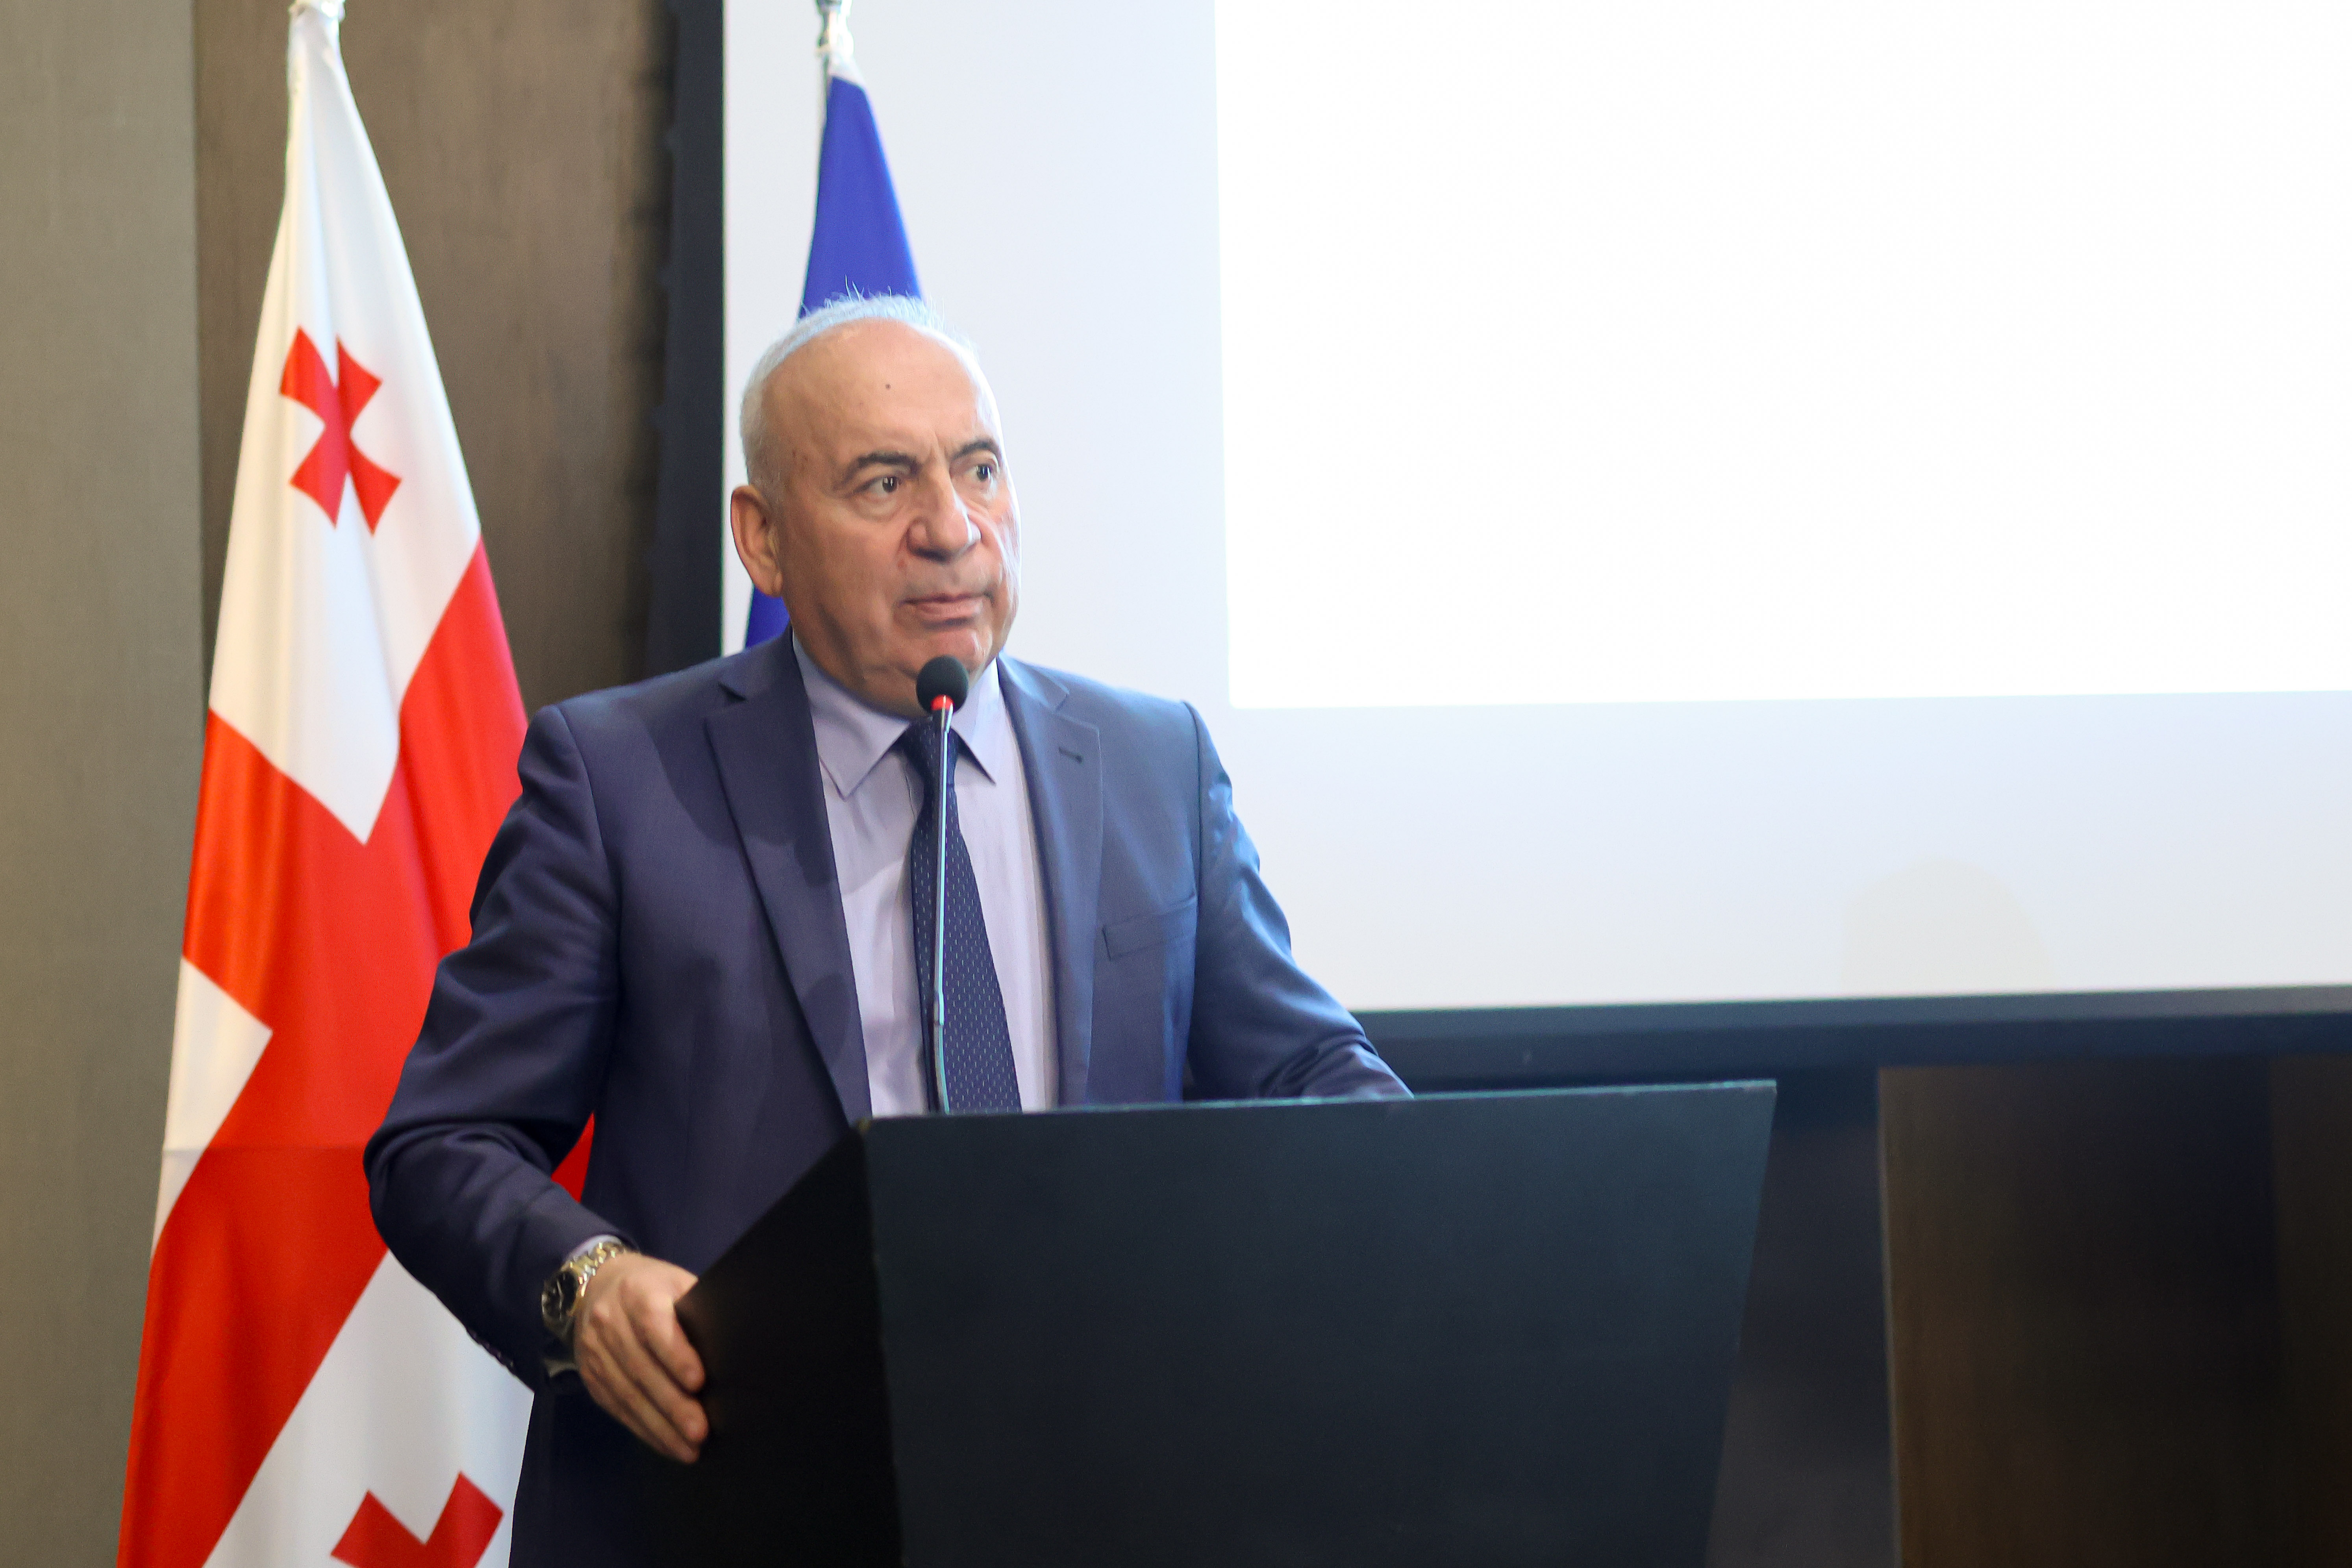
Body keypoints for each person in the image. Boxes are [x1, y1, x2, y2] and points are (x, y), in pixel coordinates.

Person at [365, 293, 1407, 1563]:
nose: (953, 529)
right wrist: (587, 1285)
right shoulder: (618, 779)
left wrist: (1373, 1210)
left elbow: (1311, 1075)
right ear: (762, 539)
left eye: (981, 469)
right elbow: (444, 1142)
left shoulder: (1151, 765)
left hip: (1102, 1491)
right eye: (884, 481)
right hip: (731, 1505)